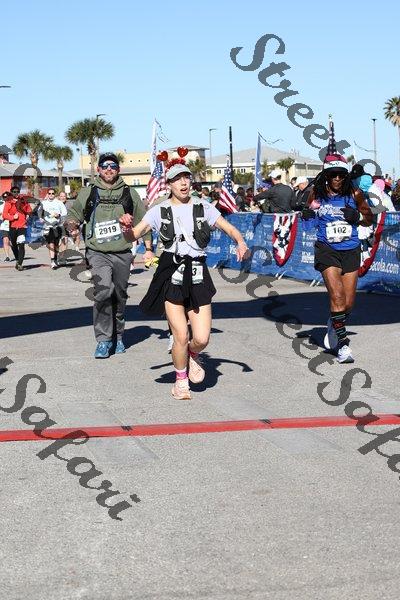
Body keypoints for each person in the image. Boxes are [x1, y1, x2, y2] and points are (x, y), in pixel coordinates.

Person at [119, 158, 250, 400]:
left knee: (201, 338)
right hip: (171, 270)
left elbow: (228, 228)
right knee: (180, 335)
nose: (183, 183)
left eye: (186, 178)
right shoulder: (158, 211)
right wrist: (126, 228)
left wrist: (240, 242)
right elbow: (133, 236)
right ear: (169, 184)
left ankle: (191, 354)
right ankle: (181, 382)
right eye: (177, 179)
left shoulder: (204, 207)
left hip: (198, 271)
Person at [65, 152, 154, 358]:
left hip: (123, 252)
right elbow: (74, 214)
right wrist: (72, 225)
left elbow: (144, 222)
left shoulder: (129, 193)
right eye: (104, 166)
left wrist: (149, 249)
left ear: (118, 170)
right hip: (97, 252)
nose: (108, 169)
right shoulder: (89, 192)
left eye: (113, 166)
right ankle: (103, 340)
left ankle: (119, 335)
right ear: (98, 169)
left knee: (119, 296)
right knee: (103, 292)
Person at [301, 146, 373, 364]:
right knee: (338, 297)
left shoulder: (355, 194)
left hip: (350, 249)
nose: (338, 178)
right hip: (327, 249)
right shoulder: (317, 194)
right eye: (333, 174)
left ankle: (334, 325)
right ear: (326, 175)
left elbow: (369, 219)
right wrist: (307, 215)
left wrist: (357, 217)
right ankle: (342, 345)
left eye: (342, 174)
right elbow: (309, 221)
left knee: (348, 304)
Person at [2, 186, 32, 271]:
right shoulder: (8, 202)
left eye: (17, 191)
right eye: (14, 192)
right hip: (12, 226)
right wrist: (12, 217)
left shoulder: (23, 200)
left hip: (22, 226)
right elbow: (4, 215)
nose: (16, 193)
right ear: (11, 192)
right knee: (14, 245)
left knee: (21, 244)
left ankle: (20, 264)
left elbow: (29, 210)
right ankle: (18, 260)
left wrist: (28, 215)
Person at [38, 188, 67, 269]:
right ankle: (52, 261)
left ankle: (56, 258)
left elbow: (64, 213)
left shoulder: (59, 203)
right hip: (48, 226)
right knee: (51, 243)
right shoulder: (44, 203)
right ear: (47, 194)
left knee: (56, 244)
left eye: (52, 193)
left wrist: (59, 215)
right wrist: (40, 217)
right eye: (49, 193)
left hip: (57, 225)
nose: (51, 195)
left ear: (55, 194)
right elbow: (39, 211)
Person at [0, 191, 12, 261]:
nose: (6, 198)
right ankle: (7, 257)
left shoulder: (13, 204)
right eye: (4, 197)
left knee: (13, 242)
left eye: (7, 197)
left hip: (13, 225)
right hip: (4, 226)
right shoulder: (1, 206)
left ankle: (17, 254)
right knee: (5, 240)